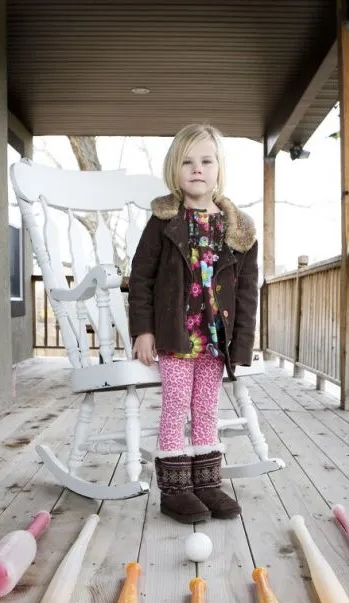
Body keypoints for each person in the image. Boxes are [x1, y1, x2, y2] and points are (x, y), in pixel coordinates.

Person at [128, 123, 259, 524]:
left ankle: (206, 483)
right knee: (175, 407)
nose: (197, 168)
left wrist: (242, 344)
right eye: (187, 161)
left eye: (206, 160)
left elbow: (248, 292)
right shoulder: (165, 221)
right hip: (177, 335)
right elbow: (141, 278)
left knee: (206, 408)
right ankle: (175, 490)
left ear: (219, 168)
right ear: (174, 169)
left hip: (215, 338)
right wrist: (143, 330)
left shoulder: (238, 230)